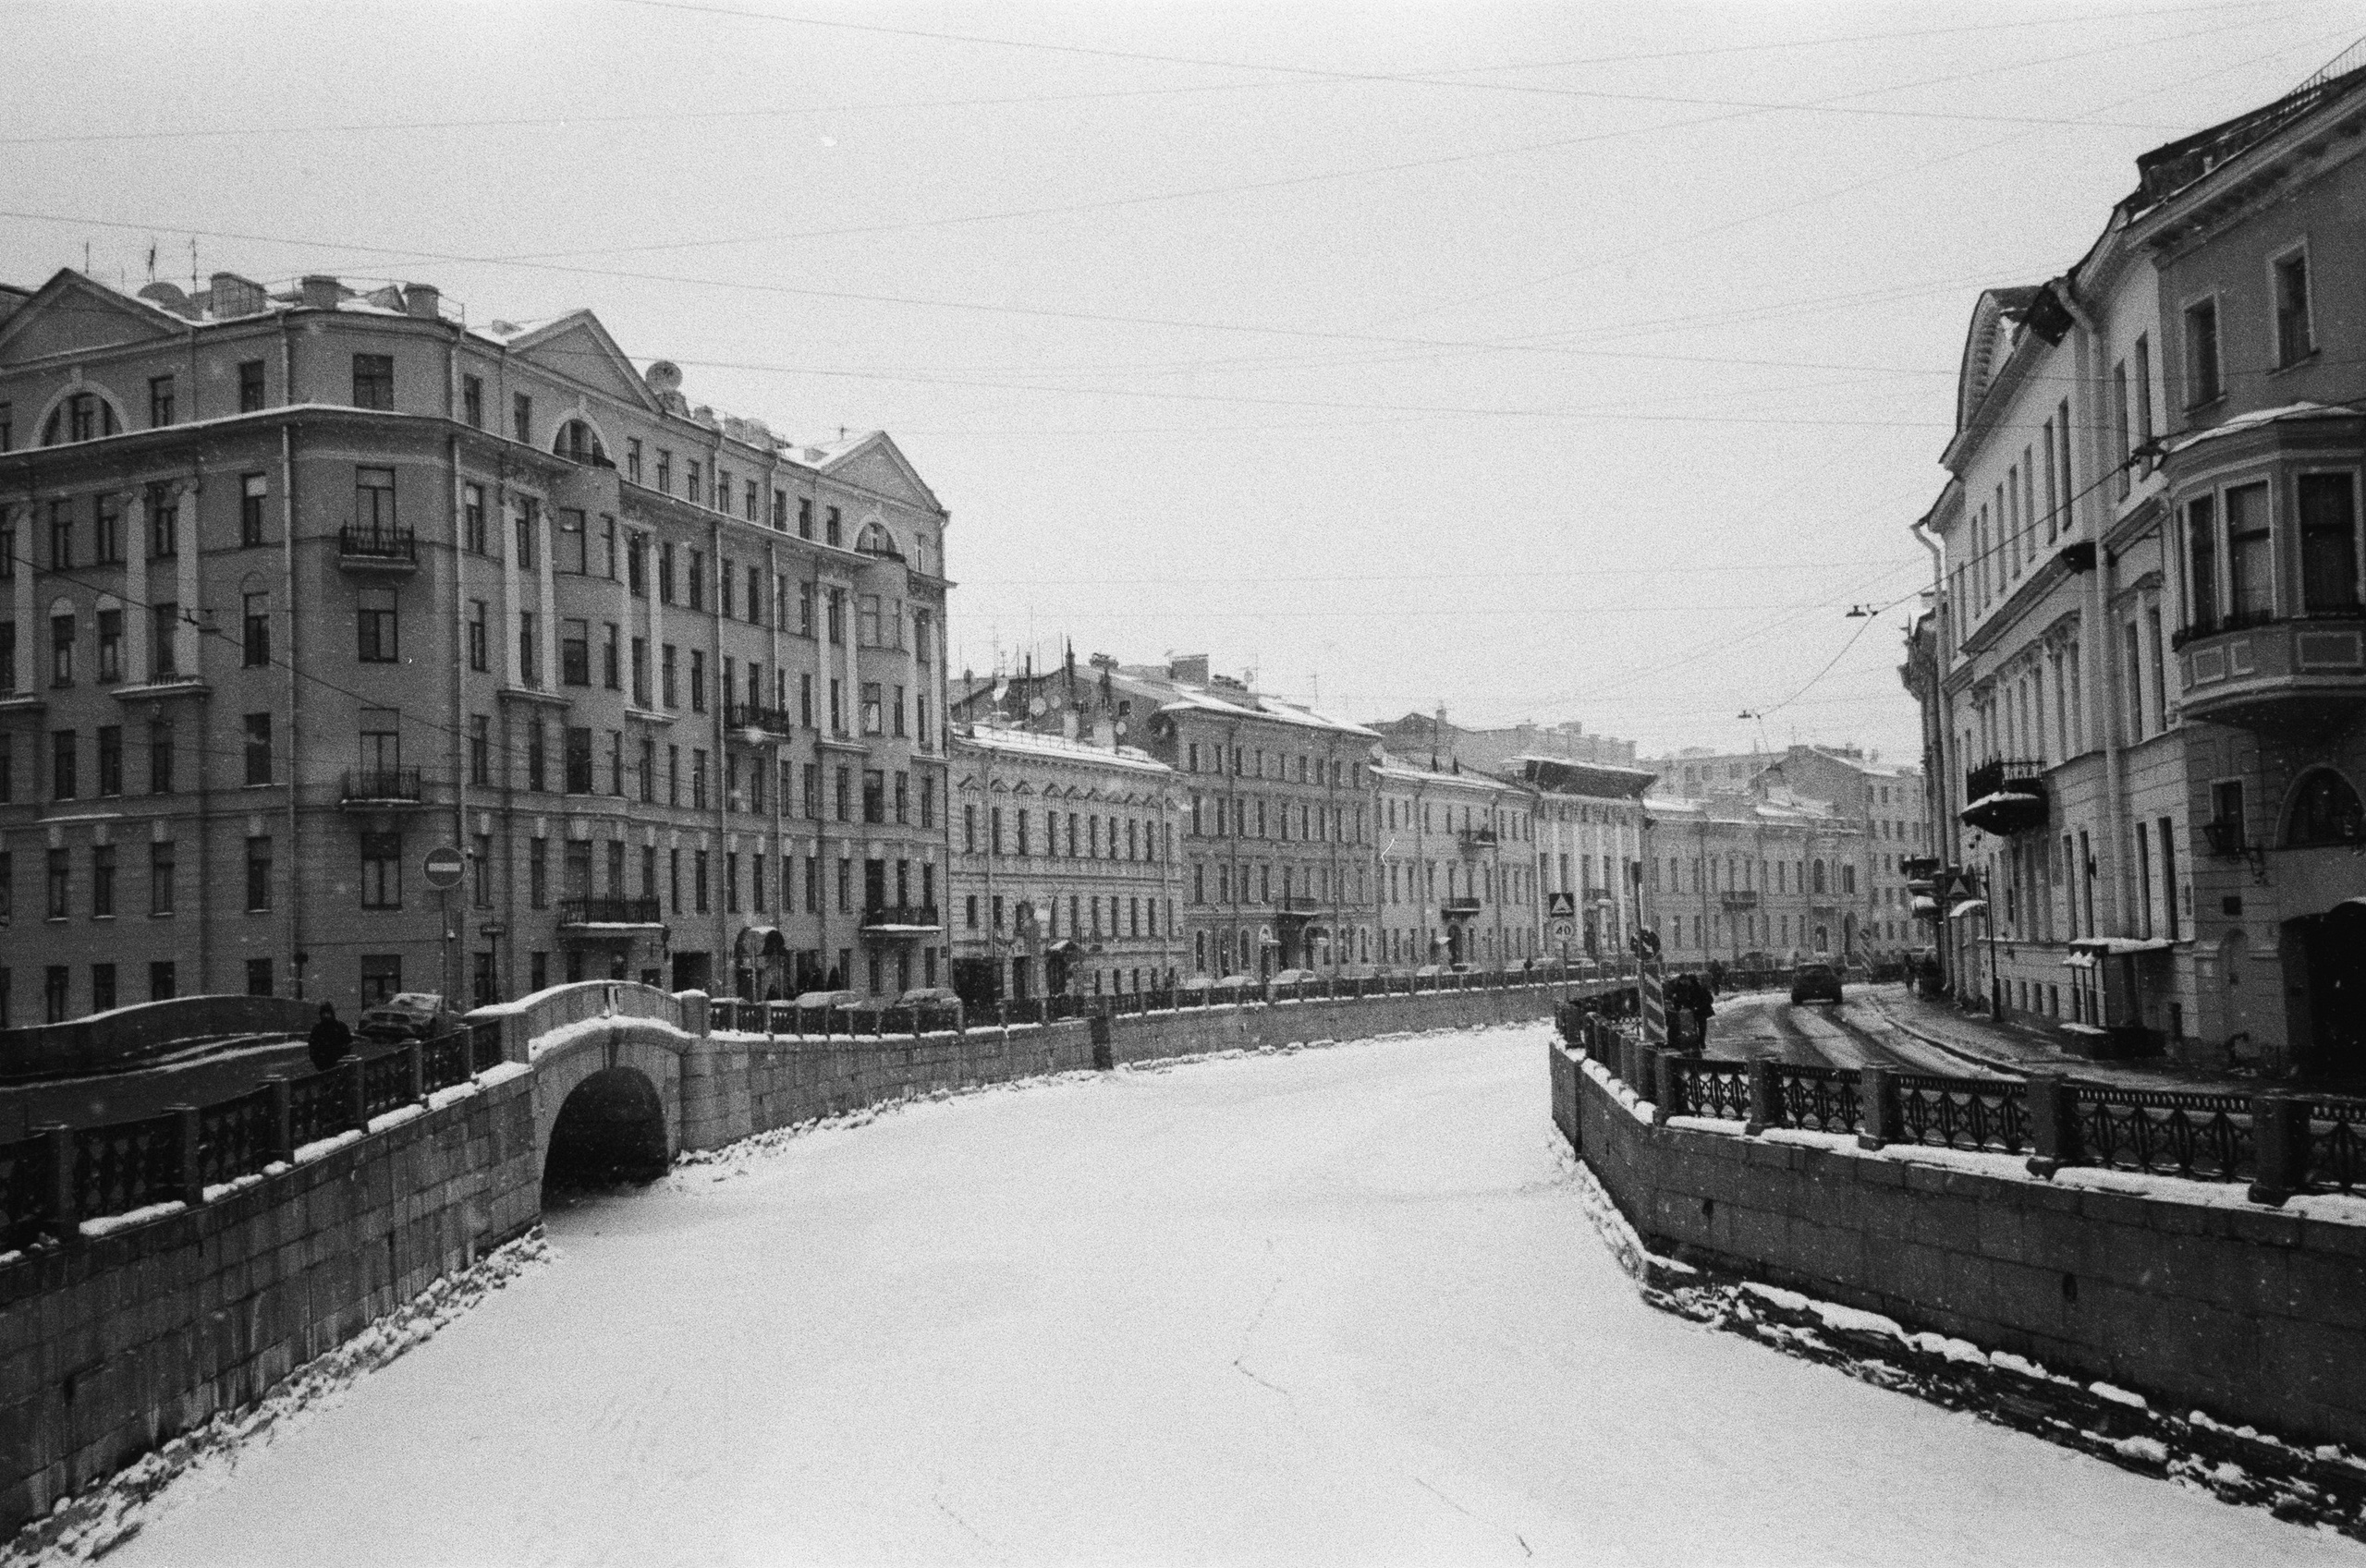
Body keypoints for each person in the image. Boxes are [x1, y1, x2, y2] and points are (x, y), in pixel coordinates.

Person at [307, 1003, 353, 1074]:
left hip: (338, 1060)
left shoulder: (340, 1026)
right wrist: (316, 1059)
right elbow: (312, 1045)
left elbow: (348, 1043)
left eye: (328, 1013)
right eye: (324, 1013)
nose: (326, 1016)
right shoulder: (318, 1028)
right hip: (322, 1062)